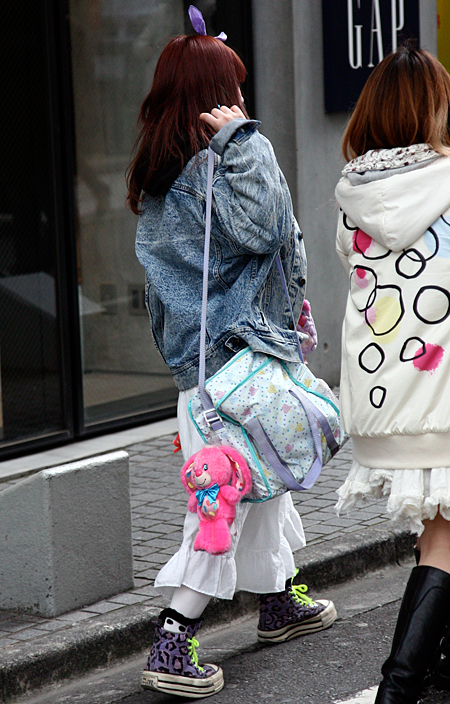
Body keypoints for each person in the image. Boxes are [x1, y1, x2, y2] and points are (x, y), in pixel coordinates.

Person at [126, 9, 336, 700]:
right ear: (213, 98)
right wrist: (245, 139)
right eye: (235, 89)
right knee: (220, 508)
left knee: (262, 484)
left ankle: (276, 601)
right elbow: (269, 225)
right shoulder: (209, 170)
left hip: (217, 375)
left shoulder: (164, 178)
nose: (244, 100)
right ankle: (172, 639)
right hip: (231, 374)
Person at [334, 44, 450, 703]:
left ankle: (438, 668)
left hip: (385, 400)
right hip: (443, 398)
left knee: (438, 532)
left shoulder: (352, 195)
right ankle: (398, 689)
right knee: (443, 540)